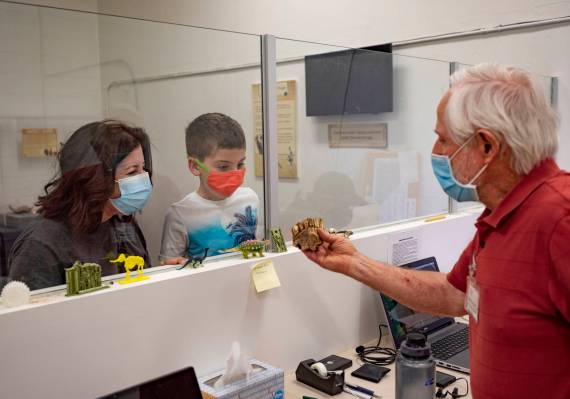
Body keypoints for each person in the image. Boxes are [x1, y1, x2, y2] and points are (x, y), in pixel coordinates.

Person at [301, 64, 569, 399]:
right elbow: (453, 295)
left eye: (443, 139)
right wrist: (354, 263)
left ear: (487, 146)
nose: (436, 153)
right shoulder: (504, 215)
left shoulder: (559, 220)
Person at [8, 120, 153, 290]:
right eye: (132, 171)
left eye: (143, 168)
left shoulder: (123, 225)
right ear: (95, 179)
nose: (145, 178)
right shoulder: (41, 244)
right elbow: (32, 313)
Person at [160, 113, 259, 264]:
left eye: (240, 164)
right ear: (194, 166)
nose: (235, 173)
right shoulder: (180, 214)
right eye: (223, 166)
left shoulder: (250, 199)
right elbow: (167, 267)